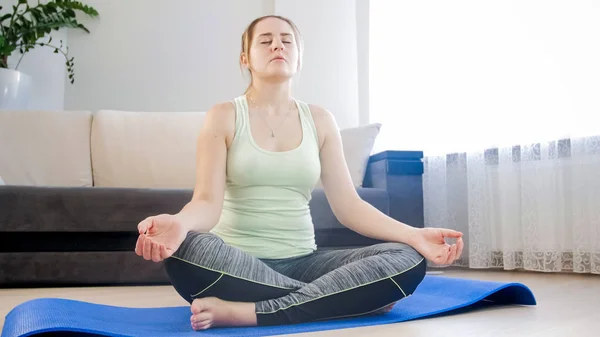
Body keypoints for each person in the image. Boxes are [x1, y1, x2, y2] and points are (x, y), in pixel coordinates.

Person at [134, 15, 464, 331]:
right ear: (245, 58)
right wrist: (180, 223)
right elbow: (206, 202)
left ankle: (251, 312)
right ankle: (346, 299)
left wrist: (413, 235)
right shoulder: (223, 116)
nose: (278, 46)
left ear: (299, 58)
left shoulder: (320, 120)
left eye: (286, 41)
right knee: (187, 253)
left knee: (406, 259)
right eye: (265, 41)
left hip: (303, 262)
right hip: (235, 266)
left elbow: (349, 206)